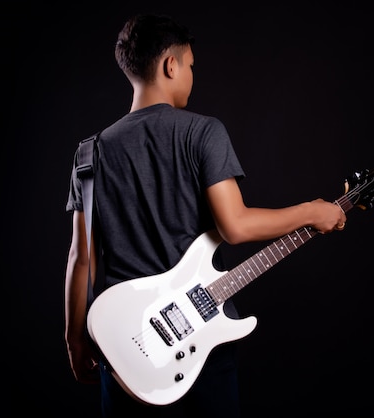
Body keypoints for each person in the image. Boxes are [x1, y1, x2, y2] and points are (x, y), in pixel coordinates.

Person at [63, 13, 347, 418]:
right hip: (200, 344)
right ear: (170, 65)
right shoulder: (202, 132)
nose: (192, 76)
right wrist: (311, 211)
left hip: (125, 350)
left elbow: (81, 259)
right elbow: (235, 226)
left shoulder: (89, 153)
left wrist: (75, 340)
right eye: (191, 66)